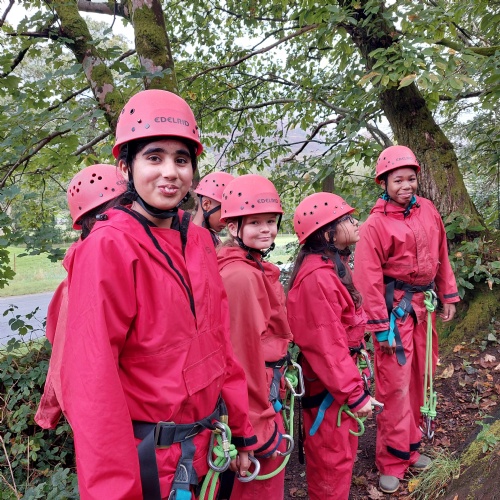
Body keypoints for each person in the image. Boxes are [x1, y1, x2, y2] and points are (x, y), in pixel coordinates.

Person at [60, 90, 257, 499]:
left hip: (206, 448)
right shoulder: (108, 247)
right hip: (151, 463)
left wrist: (241, 431)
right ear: (126, 167)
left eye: (181, 160)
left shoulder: (199, 240)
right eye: (154, 157)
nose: (170, 172)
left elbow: (220, 346)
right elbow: (92, 385)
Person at [353, 145, 460, 494]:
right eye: (397, 180)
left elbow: (441, 252)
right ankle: (391, 460)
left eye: (410, 179)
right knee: (394, 385)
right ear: (384, 183)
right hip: (394, 313)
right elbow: (367, 278)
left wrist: (447, 294)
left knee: (419, 378)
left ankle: (411, 448)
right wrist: (378, 326)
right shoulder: (375, 225)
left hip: (423, 307)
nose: (406, 186)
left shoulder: (427, 210)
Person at [286, 192, 377, 500]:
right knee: (331, 460)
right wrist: (354, 393)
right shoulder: (318, 279)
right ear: (328, 234)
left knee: (339, 455)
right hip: (330, 386)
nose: (356, 222)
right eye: (348, 219)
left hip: (336, 381)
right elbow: (327, 347)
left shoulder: (332, 266)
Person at [35, 163, 128, 430]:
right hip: (117, 417)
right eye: (123, 210)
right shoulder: (86, 277)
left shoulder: (85, 269)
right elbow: (65, 353)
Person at [217, 174, 293, 500]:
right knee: (259, 485)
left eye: (271, 221)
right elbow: (241, 358)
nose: (266, 229)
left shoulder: (250, 267)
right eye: (255, 222)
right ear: (234, 227)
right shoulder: (241, 277)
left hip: (263, 389)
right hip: (253, 401)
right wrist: (250, 432)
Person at [192, 171, 235, 247]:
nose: (227, 221)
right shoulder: (193, 239)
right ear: (206, 205)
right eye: (224, 212)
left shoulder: (211, 236)